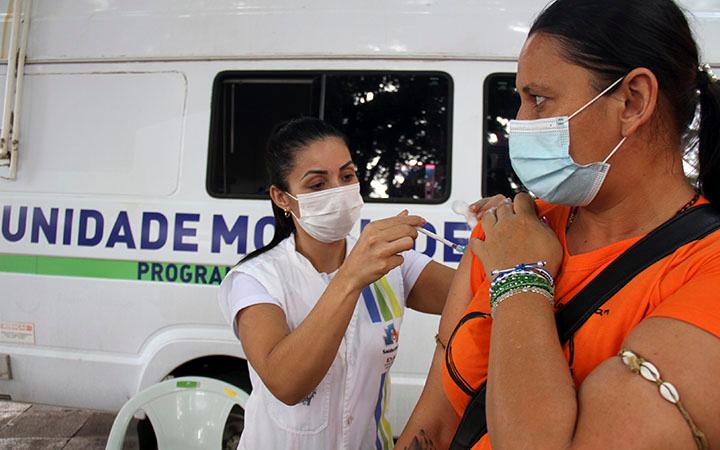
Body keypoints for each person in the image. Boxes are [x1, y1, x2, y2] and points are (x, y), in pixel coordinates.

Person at [397, 0, 720, 448]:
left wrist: (520, 280)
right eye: (520, 99)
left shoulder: (705, 271)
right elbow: (434, 420)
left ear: (633, 100)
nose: (519, 122)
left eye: (539, 99)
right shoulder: (511, 229)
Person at [218, 117, 465, 449]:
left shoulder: (393, 265)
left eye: (347, 176)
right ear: (282, 198)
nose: (338, 191)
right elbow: (286, 383)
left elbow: (478, 296)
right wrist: (351, 276)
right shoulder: (256, 278)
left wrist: (487, 239)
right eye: (317, 185)